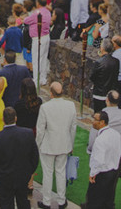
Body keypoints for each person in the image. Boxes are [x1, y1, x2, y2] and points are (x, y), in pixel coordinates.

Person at [0, 106, 39, 209]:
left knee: (6, 205)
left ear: (3, 119)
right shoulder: (28, 133)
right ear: (15, 118)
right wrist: (29, 171)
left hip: (4, 179)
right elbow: (35, 157)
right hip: (22, 177)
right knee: (23, 203)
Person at [35, 81, 77, 209]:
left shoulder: (45, 107)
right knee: (60, 172)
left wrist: (38, 144)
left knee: (48, 174)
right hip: (64, 144)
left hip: (48, 146)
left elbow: (40, 129)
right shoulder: (71, 106)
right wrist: (71, 143)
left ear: (51, 93)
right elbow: (73, 128)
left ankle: (47, 202)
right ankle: (61, 201)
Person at [86, 111, 121, 209]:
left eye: (95, 119)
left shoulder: (100, 139)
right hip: (113, 172)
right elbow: (118, 152)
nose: (93, 121)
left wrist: (93, 173)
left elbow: (98, 160)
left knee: (94, 202)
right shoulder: (116, 134)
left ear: (102, 122)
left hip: (101, 174)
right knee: (108, 202)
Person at [26, 0, 52, 88]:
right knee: (43, 58)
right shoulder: (48, 12)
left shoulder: (37, 13)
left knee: (36, 59)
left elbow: (26, 20)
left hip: (38, 38)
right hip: (46, 36)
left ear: (38, 4)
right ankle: (43, 78)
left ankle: (36, 80)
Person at [89, 40, 120, 113]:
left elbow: (92, 77)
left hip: (99, 93)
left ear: (102, 48)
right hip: (110, 92)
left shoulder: (99, 62)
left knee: (98, 114)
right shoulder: (116, 61)